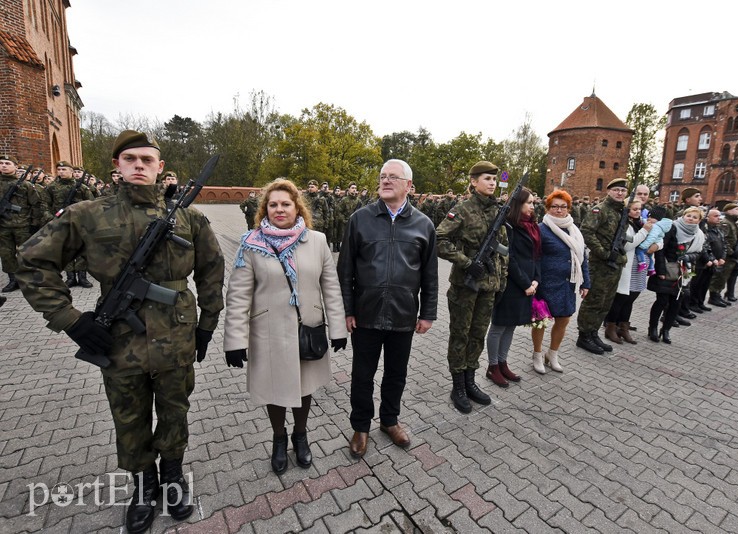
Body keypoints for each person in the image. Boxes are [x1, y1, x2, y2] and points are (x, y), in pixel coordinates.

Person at [16, 130, 225, 533]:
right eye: (130, 159)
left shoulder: (189, 217)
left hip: (177, 336)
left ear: (160, 167)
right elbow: (30, 261)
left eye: (147, 160)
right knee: (128, 417)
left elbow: (213, 273)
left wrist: (207, 326)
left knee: (174, 412)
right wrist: (69, 319)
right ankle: (143, 487)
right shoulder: (88, 214)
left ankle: (174, 478)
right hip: (119, 339)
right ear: (117, 166)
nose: (139, 165)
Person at [224, 179, 347, 474]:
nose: (279, 209)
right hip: (268, 333)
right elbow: (239, 294)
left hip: (308, 330)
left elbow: (330, 286)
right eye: (273, 204)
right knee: (274, 389)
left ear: (297, 208)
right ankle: (279, 439)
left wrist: (338, 328)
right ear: (265, 209)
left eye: (286, 204)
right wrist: (234, 340)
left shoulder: (316, 241)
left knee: (304, 388)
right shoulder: (251, 243)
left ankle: (300, 435)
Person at [338, 159, 437, 457]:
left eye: (393, 177)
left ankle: (390, 421)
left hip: (403, 315)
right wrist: (347, 309)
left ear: (408, 185)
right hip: (366, 313)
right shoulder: (360, 219)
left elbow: (429, 273)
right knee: (362, 375)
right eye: (382, 176)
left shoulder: (423, 224)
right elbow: (345, 271)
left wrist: (428, 313)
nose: (385, 181)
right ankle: (361, 427)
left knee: (396, 373)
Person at [437, 161, 508, 413]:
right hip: (465, 287)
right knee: (460, 335)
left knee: (478, 335)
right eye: (486, 178)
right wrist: (466, 263)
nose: (491, 183)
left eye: (493, 179)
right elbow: (440, 239)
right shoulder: (463, 209)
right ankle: (457, 385)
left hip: (489, 286)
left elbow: (504, 251)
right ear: (474, 181)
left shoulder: (498, 210)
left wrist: (502, 282)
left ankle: (470, 381)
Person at [485, 187, 541, 387]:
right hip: (511, 283)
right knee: (499, 325)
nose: (533, 206)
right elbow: (510, 257)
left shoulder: (532, 225)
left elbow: (536, 255)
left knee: (511, 325)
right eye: (529, 202)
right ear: (518, 204)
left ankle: (502, 362)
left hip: (527, 283)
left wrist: (536, 279)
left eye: (534, 203)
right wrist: (526, 283)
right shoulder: (509, 226)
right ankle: (492, 367)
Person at [533, 190, 590, 372]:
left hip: (567, 283)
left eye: (563, 207)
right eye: (555, 206)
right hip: (545, 283)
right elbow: (533, 258)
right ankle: (537, 355)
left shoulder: (574, 230)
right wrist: (534, 281)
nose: (559, 210)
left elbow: (582, 258)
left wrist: (585, 282)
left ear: (568, 208)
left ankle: (553, 353)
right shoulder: (541, 229)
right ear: (548, 208)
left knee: (564, 319)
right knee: (540, 320)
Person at [575, 178, 629, 355]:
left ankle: (593, 333)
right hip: (600, 263)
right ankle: (584, 336)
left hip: (615, 264)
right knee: (594, 300)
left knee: (606, 301)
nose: (620, 193)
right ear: (609, 191)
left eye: (623, 190)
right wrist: (603, 253)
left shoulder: (621, 211)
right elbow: (587, 232)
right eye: (616, 190)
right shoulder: (600, 210)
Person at [647, 206, 706, 344]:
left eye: (694, 217)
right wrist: (660, 270)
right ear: (683, 215)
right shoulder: (672, 228)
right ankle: (653, 328)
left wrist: (689, 257)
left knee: (676, 302)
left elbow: (699, 253)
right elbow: (661, 250)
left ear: (699, 220)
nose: (690, 219)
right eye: (688, 215)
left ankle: (666, 330)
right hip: (667, 269)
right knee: (662, 301)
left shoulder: (699, 235)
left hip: (685, 272)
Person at [604, 200, 651, 344]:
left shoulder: (639, 223)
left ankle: (624, 327)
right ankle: (611, 327)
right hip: (627, 266)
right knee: (621, 299)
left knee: (631, 298)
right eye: (634, 209)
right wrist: (645, 231)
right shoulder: (625, 224)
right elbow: (629, 245)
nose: (638, 211)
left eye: (639, 209)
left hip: (639, 268)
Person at [43, 160, 95, 288]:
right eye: (59, 170)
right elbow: (44, 205)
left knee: (82, 250)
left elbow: (92, 206)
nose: (61, 172)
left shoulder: (82, 188)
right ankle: (70, 277)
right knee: (65, 249)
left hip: (79, 224)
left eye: (64, 169)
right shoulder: (51, 187)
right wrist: (51, 218)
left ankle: (82, 277)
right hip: (61, 223)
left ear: (71, 172)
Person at [0, 154, 42, 293]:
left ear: (15, 167)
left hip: (23, 225)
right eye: (1, 163)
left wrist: (34, 224)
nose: (4, 165)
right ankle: (13, 280)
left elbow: (36, 205)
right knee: (6, 254)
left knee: (27, 253)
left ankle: (30, 280)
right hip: (3, 226)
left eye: (7, 163)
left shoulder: (26, 185)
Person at [707, 203, 738, 307]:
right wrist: (731, 252)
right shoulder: (726, 223)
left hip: (729, 255)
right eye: (736, 209)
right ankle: (713, 296)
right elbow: (724, 240)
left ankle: (717, 295)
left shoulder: (733, 223)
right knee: (720, 276)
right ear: (729, 211)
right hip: (726, 255)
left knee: (724, 277)